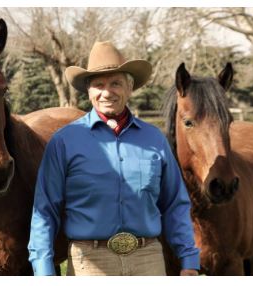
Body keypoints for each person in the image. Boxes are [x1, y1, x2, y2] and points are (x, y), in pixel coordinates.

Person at [28, 41, 200, 276]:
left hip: (148, 259)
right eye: (98, 85)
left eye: (116, 83)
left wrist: (189, 258)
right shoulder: (64, 142)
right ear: (88, 91)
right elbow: (45, 210)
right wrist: (43, 270)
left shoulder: (154, 140)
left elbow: (175, 204)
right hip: (88, 262)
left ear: (130, 88)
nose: (107, 92)